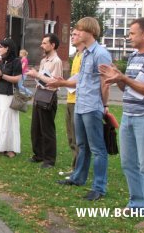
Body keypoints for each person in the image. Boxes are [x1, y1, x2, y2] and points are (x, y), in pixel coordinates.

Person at [99, 18, 144, 229]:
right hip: (129, 116)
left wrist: (124, 79)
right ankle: (136, 203)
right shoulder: (135, 56)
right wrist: (116, 77)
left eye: (132, 33)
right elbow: (129, 86)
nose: (129, 37)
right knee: (128, 163)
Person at [54, 17, 111, 201]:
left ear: (91, 32)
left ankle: (99, 187)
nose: (77, 33)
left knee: (98, 149)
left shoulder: (100, 54)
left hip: (92, 106)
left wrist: (105, 106)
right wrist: (62, 82)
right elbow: (81, 77)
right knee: (82, 145)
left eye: (80, 30)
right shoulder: (85, 53)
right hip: (80, 104)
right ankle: (78, 178)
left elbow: (105, 82)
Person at [26, 33, 63, 168]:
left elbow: (55, 81)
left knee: (47, 129)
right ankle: (38, 155)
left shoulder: (56, 61)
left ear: (52, 45)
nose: (42, 46)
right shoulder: (43, 61)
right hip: (39, 94)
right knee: (35, 128)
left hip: (49, 96)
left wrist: (37, 74)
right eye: (42, 43)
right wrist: (37, 76)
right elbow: (41, 78)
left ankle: (49, 159)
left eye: (45, 43)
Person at [64, 29, 84, 173]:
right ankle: (74, 166)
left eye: (75, 35)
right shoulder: (76, 54)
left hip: (79, 100)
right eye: (71, 34)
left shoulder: (85, 55)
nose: (72, 37)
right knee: (71, 135)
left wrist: (62, 83)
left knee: (78, 137)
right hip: (70, 99)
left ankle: (78, 168)